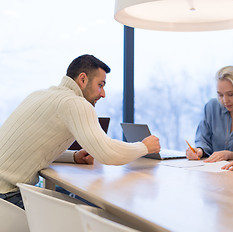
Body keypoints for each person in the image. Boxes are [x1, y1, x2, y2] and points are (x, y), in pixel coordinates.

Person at [0, 54, 160, 208]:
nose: (103, 94)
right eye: (100, 85)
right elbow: (108, 153)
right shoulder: (74, 103)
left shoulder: (39, 95)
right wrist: (145, 146)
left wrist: (73, 157)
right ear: (83, 79)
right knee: (90, 214)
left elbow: (32, 147)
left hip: (5, 194)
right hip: (7, 198)